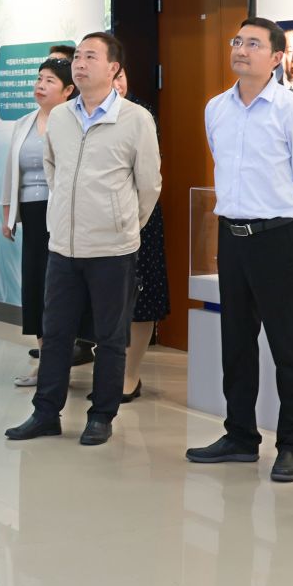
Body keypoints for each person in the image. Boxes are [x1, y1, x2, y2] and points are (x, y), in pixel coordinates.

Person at [5, 33, 161, 447]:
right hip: (63, 246)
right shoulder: (60, 117)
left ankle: (101, 416)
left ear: (113, 68)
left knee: (110, 338)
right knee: (56, 334)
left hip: (112, 248)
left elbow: (149, 185)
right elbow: (53, 170)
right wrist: (63, 218)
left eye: (91, 56)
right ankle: (45, 413)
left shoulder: (135, 119)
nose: (79, 63)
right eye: (77, 56)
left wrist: (122, 224)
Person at [189, 18, 293, 482]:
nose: (241, 50)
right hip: (232, 238)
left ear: (277, 57)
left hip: (279, 238)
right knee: (237, 343)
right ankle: (241, 436)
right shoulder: (216, 108)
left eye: (253, 44)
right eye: (237, 41)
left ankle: (292, 445)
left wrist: (290, 233)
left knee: (289, 347)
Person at [2, 58, 74, 386]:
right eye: (39, 78)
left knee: (58, 290)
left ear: (68, 90)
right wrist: (8, 213)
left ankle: (60, 362)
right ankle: (46, 363)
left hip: (61, 214)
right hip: (31, 216)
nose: (40, 85)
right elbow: (10, 170)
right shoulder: (24, 123)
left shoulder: (73, 122)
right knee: (35, 288)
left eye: (49, 81)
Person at [113, 67, 167, 402]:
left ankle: (130, 376)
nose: (117, 84)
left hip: (140, 218)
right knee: (110, 300)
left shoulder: (140, 114)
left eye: (121, 76)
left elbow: (148, 179)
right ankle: (113, 373)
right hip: (105, 224)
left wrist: (137, 219)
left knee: (142, 298)